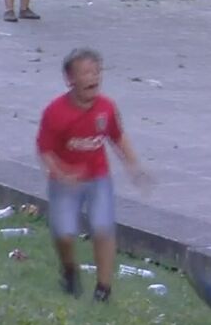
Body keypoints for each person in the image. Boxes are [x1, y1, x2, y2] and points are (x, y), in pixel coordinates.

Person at [36, 48, 148, 302]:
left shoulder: (106, 107)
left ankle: (103, 288)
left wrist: (133, 164)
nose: (93, 77)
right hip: (65, 182)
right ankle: (69, 271)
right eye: (86, 72)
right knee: (63, 233)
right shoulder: (55, 112)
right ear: (70, 79)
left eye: (97, 71)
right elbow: (45, 150)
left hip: (98, 177)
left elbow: (117, 136)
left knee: (103, 227)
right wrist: (61, 173)